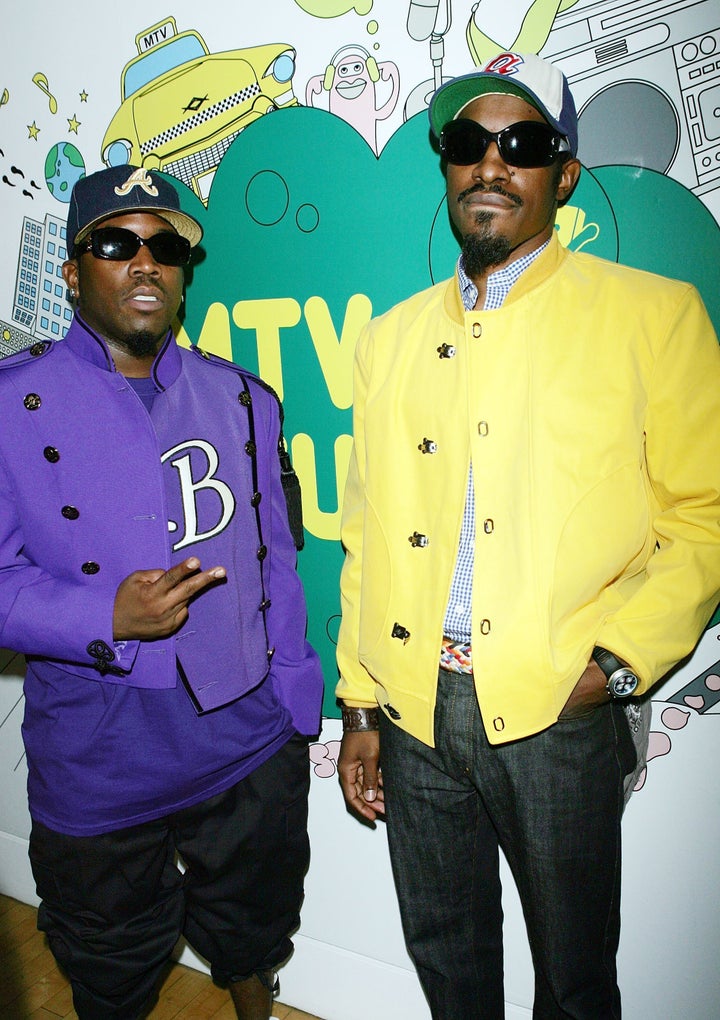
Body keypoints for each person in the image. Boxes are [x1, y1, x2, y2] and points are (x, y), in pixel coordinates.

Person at [335, 51, 720, 1019]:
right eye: (469, 144)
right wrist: (359, 708)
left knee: (576, 980)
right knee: (449, 964)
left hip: (559, 713)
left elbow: (704, 516)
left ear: (564, 172)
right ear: (447, 166)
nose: (492, 164)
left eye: (523, 143)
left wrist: (611, 666)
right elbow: (367, 539)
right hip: (414, 713)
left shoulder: (654, 317)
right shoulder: (388, 339)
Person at [0, 165, 323, 1020]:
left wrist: (297, 704)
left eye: (165, 245)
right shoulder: (8, 405)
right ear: (74, 270)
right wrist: (105, 616)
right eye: (115, 242)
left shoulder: (245, 398)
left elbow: (275, 558)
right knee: (108, 965)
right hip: (99, 758)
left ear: (184, 267)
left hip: (245, 740)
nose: (144, 261)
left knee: (256, 929)